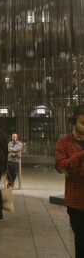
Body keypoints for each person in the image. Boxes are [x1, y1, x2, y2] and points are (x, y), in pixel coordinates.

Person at [55, 105, 84, 258]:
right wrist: (80, 155)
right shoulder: (64, 142)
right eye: (83, 123)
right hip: (77, 201)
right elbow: (60, 166)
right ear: (74, 122)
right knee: (81, 242)